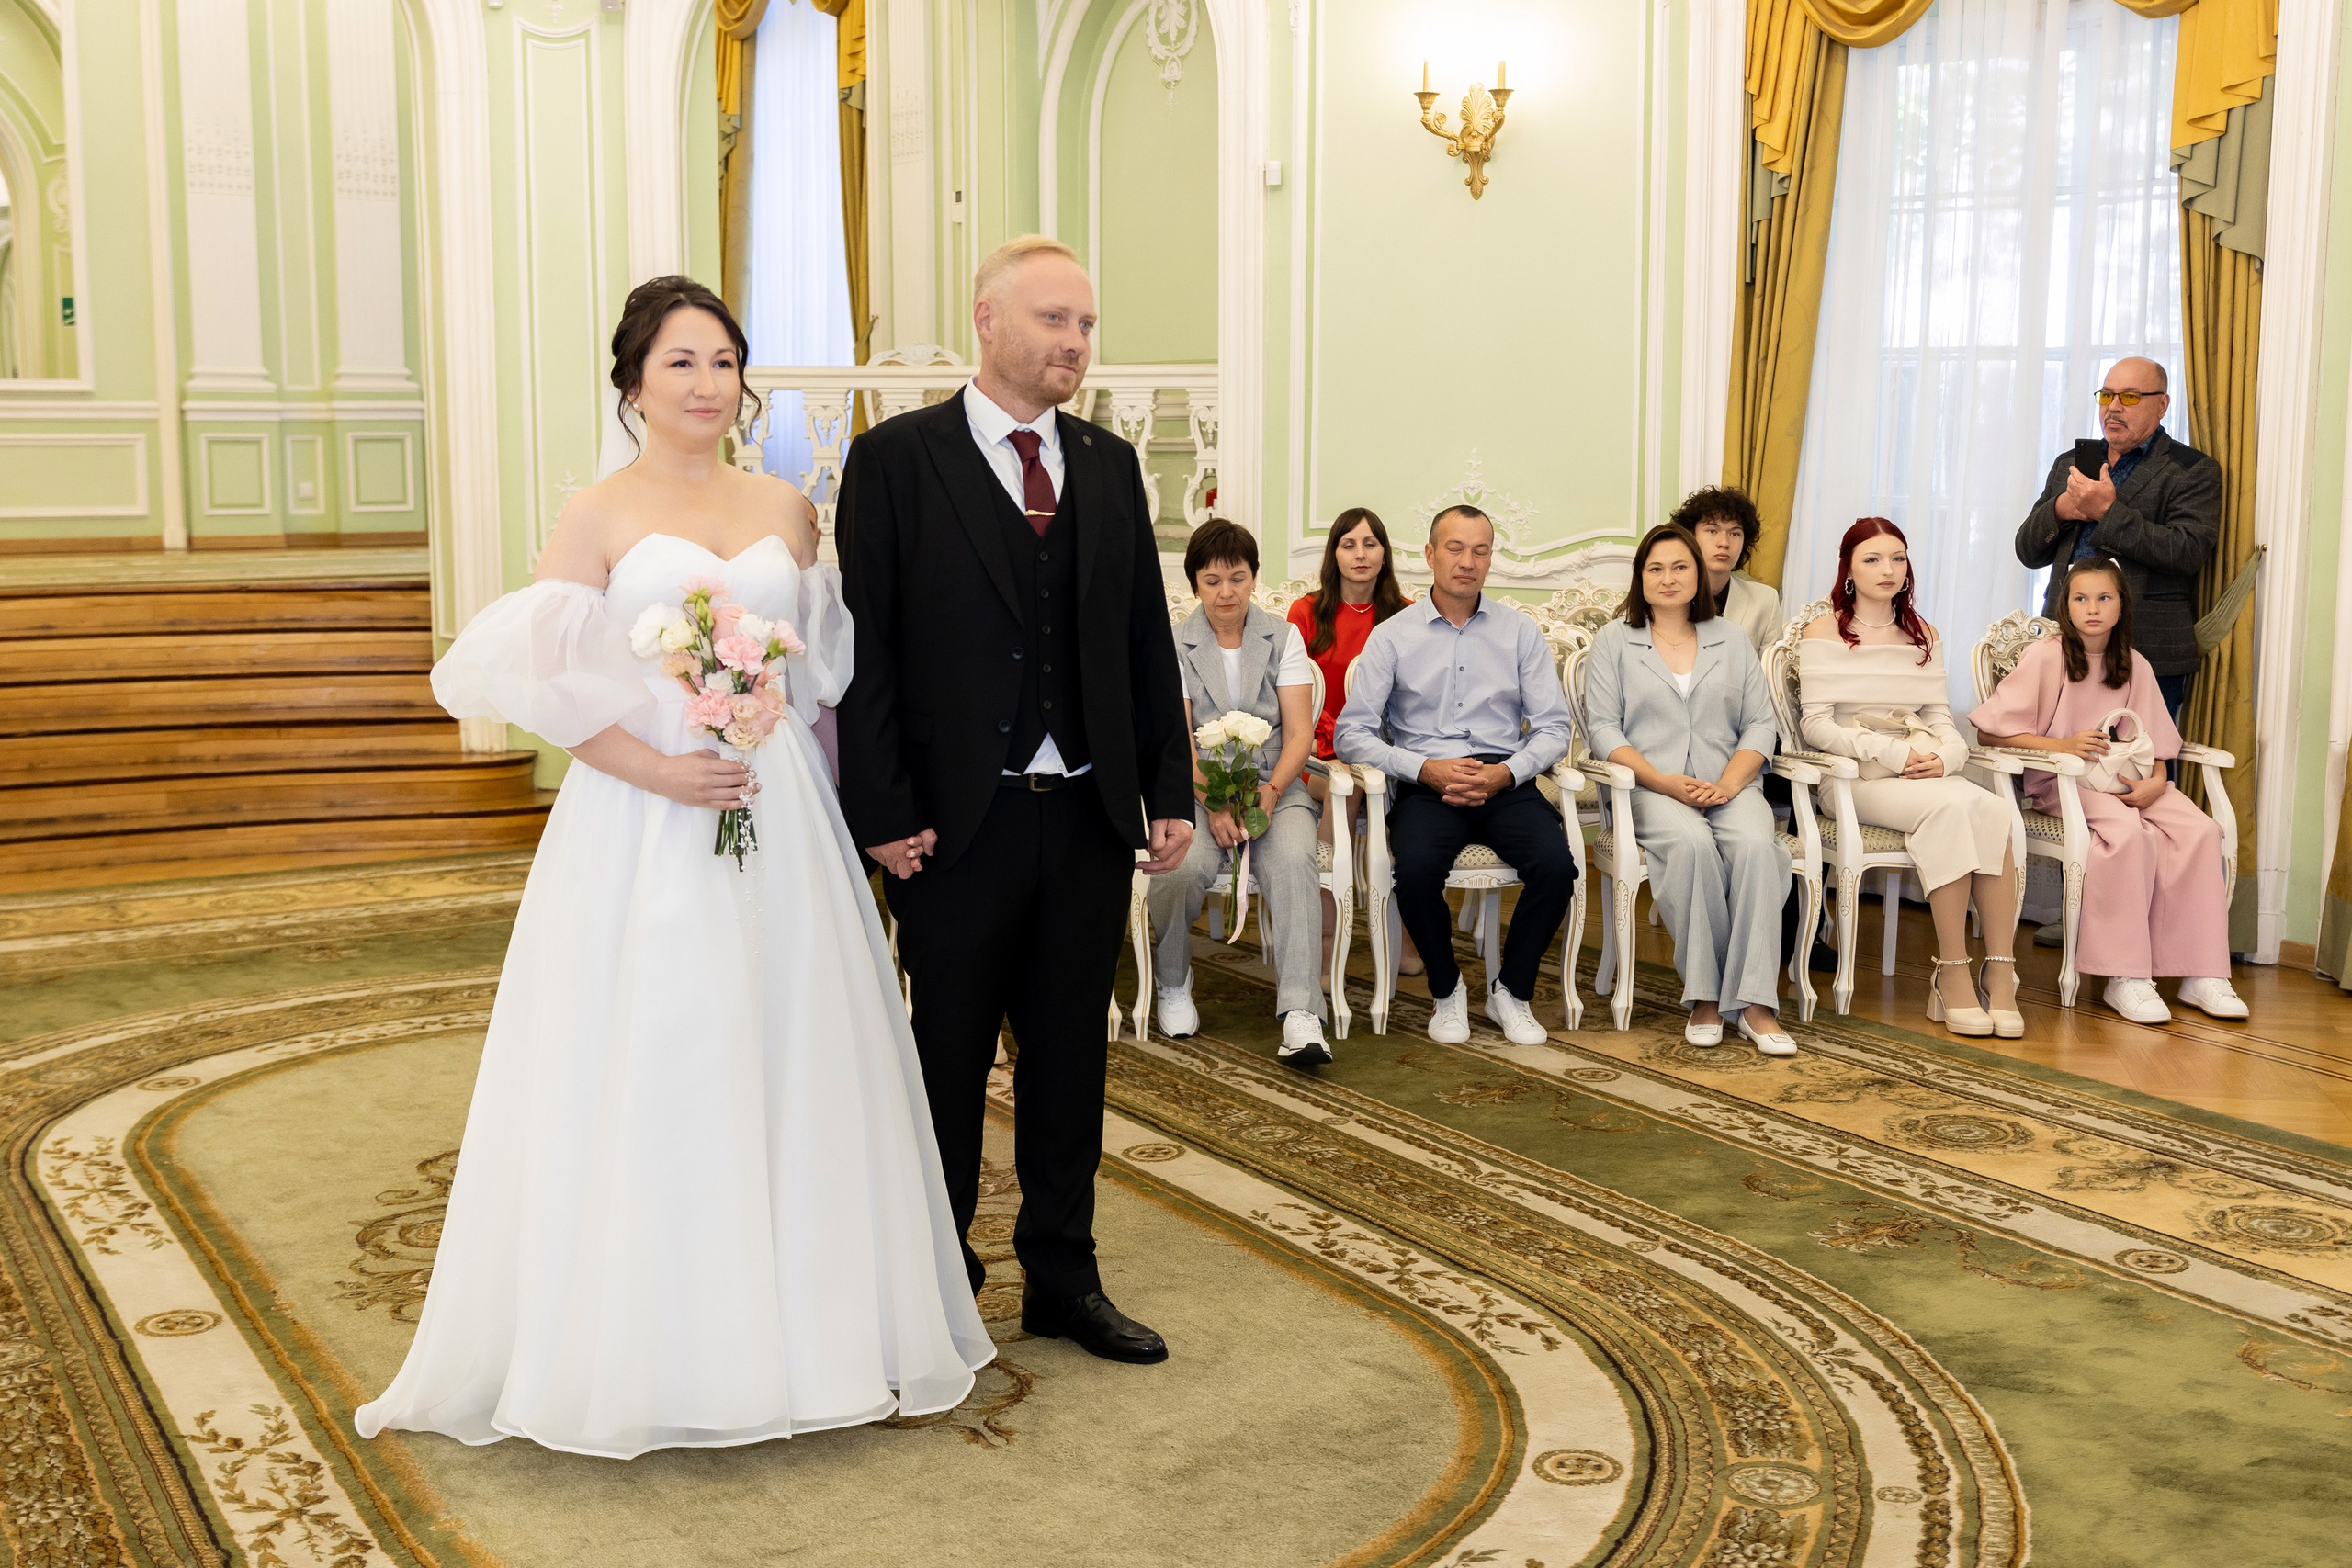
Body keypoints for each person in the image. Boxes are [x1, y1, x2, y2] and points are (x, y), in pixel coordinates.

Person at [357, 277, 993, 1457]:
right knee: (662, 1045)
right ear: (633, 382)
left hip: (777, 811)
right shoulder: (596, 515)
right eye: (682, 363)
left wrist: (856, 812)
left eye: (724, 361)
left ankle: (811, 1330)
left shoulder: (789, 507)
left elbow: (820, 691)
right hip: (641, 820)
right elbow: (545, 692)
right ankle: (650, 1341)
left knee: (793, 1044)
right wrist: (661, 774)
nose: (708, 384)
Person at [835, 235, 1193, 1367]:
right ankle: (937, 1281)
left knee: (1067, 1061)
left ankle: (1062, 1277)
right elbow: (869, 653)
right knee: (941, 1057)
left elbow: (1142, 639)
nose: (1075, 345)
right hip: (949, 828)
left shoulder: (1106, 463)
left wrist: (1166, 786)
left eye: (1086, 326)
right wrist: (880, 811)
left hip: (1085, 819)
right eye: (1054, 322)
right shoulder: (895, 460)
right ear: (987, 321)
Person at [1334, 504, 1577, 1049]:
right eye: (1454, 548)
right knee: (1416, 869)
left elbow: (1554, 729)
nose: (1467, 561)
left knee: (1558, 866)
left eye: (1480, 550)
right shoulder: (1393, 636)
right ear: (1429, 555)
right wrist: (1423, 768)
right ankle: (1447, 991)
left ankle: (1510, 991)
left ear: (1492, 560)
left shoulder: (1519, 632)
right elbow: (1353, 734)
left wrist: (1505, 774)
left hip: (1503, 782)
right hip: (1427, 783)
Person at [1970, 558, 2247, 1023]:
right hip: (2063, 780)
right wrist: (2061, 744)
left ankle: (2203, 973)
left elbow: (2155, 742)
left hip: (2128, 779)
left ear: (2122, 606)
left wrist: (2158, 782)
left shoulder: (2134, 663)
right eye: (2081, 598)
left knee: (2199, 830)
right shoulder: (2047, 657)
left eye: (2104, 598)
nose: (2092, 608)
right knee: (2126, 834)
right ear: (2066, 605)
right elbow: (1990, 733)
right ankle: (2126, 976)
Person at [1800, 519, 2024, 1038]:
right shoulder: (1823, 631)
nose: (1887, 569)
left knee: (1991, 808)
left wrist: (1947, 757)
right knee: (1952, 809)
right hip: (1854, 778)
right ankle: (1952, 972)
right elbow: (1816, 725)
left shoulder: (1924, 634)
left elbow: (1940, 714)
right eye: (1872, 559)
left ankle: (2001, 969)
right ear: (1849, 568)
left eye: (1897, 558)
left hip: (1921, 769)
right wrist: (1891, 752)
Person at [1583, 524, 1797, 1056]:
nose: (1668, 578)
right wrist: (1660, 781)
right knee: (1694, 846)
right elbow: (1604, 728)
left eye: (1680, 567)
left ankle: (1755, 1005)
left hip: (1726, 782)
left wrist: (1729, 783)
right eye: (1655, 568)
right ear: (1640, 578)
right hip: (1649, 786)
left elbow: (1759, 725)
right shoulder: (1616, 639)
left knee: (1755, 847)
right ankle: (1705, 996)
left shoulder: (1731, 638)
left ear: (1698, 575)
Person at [1150, 520, 1329, 1065]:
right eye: (1212, 580)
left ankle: (1301, 1014)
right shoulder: (1175, 643)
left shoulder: (1283, 635)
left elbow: (1298, 732)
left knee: (1296, 860)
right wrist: (1214, 803)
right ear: (1194, 585)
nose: (1226, 592)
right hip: (1198, 786)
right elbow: (1176, 743)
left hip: (1276, 784)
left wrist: (1273, 792)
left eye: (1237, 577)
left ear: (1253, 578)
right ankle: (1173, 983)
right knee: (1180, 867)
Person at [2015, 358, 2219, 720]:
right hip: (2066, 641)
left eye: (2129, 396)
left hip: (2147, 646)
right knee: (2057, 755)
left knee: (2141, 762)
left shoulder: (2192, 470)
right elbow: (2028, 551)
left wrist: (2106, 514)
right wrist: (2062, 509)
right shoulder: (2070, 464)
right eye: (2107, 396)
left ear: (2162, 405)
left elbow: (2186, 551)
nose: (2114, 407)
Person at [1285, 506, 1419, 976]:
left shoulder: (1407, 615)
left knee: (1414, 804)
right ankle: (1324, 934)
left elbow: (1414, 699)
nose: (1360, 554)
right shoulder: (1306, 612)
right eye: (1348, 544)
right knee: (1350, 785)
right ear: (1334, 553)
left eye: (1370, 544)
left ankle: (1404, 932)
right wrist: (1339, 745)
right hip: (1321, 752)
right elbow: (1296, 694)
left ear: (1384, 555)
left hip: (1388, 751)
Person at [1673, 484, 1784, 654]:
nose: (1724, 542)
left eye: (1734, 533)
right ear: (1691, 536)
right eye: (1712, 531)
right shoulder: (1669, 593)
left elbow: (1769, 674)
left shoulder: (1765, 600)